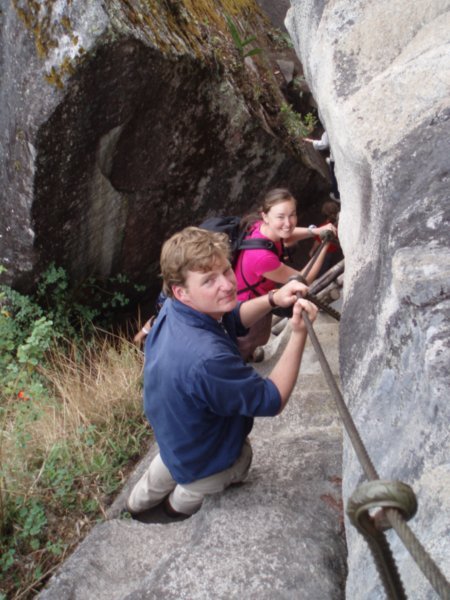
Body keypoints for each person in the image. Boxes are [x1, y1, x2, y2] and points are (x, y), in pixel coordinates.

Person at [126, 226, 317, 518]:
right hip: (207, 456)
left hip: (174, 436)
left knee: (160, 474)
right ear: (183, 291)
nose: (227, 285)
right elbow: (271, 399)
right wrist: (299, 332)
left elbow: (230, 318)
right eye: (209, 280)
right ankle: (169, 515)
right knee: (216, 476)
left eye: (227, 271)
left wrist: (273, 299)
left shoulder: (173, 308)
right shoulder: (207, 359)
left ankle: (133, 509)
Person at [234, 188, 337, 361]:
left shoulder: (259, 227)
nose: (288, 223)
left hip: (252, 295)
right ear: (265, 216)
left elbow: (286, 236)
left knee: (259, 338)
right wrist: (325, 245)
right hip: (249, 306)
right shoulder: (261, 258)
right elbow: (302, 279)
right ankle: (244, 360)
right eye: (280, 217)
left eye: (292, 215)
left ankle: (250, 353)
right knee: (251, 340)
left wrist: (314, 232)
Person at [308, 199, 343, 277]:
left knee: (323, 262)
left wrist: (312, 250)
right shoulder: (340, 224)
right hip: (334, 247)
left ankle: (321, 275)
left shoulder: (323, 227)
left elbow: (317, 241)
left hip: (326, 249)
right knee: (329, 259)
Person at [304, 131, 340, 201]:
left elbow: (324, 144)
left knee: (334, 176)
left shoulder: (329, 129)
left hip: (336, 157)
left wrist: (311, 141)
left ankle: (337, 195)